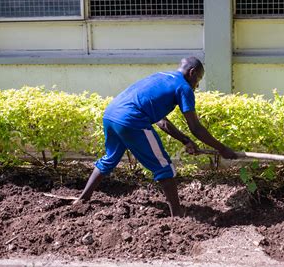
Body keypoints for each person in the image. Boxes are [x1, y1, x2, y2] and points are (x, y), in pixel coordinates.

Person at [73, 57, 238, 216]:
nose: (197, 85)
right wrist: (222, 149)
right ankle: (178, 215)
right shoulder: (184, 87)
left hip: (111, 115)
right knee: (164, 167)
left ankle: (83, 198)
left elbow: (161, 121)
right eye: (198, 80)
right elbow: (196, 127)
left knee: (110, 158)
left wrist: (185, 140)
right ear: (192, 72)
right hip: (132, 120)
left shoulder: (161, 76)